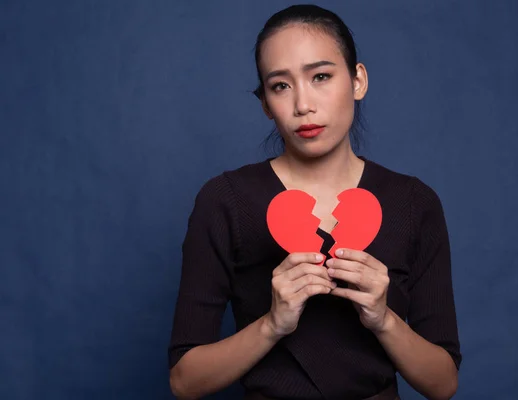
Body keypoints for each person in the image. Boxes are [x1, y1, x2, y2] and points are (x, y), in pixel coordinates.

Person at [168, 4, 461, 400]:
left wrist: (383, 319)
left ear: (357, 80)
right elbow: (184, 382)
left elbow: (443, 384)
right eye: (280, 85)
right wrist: (273, 324)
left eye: (321, 76)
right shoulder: (225, 201)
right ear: (265, 104)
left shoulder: (414, 203)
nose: (302, 104)